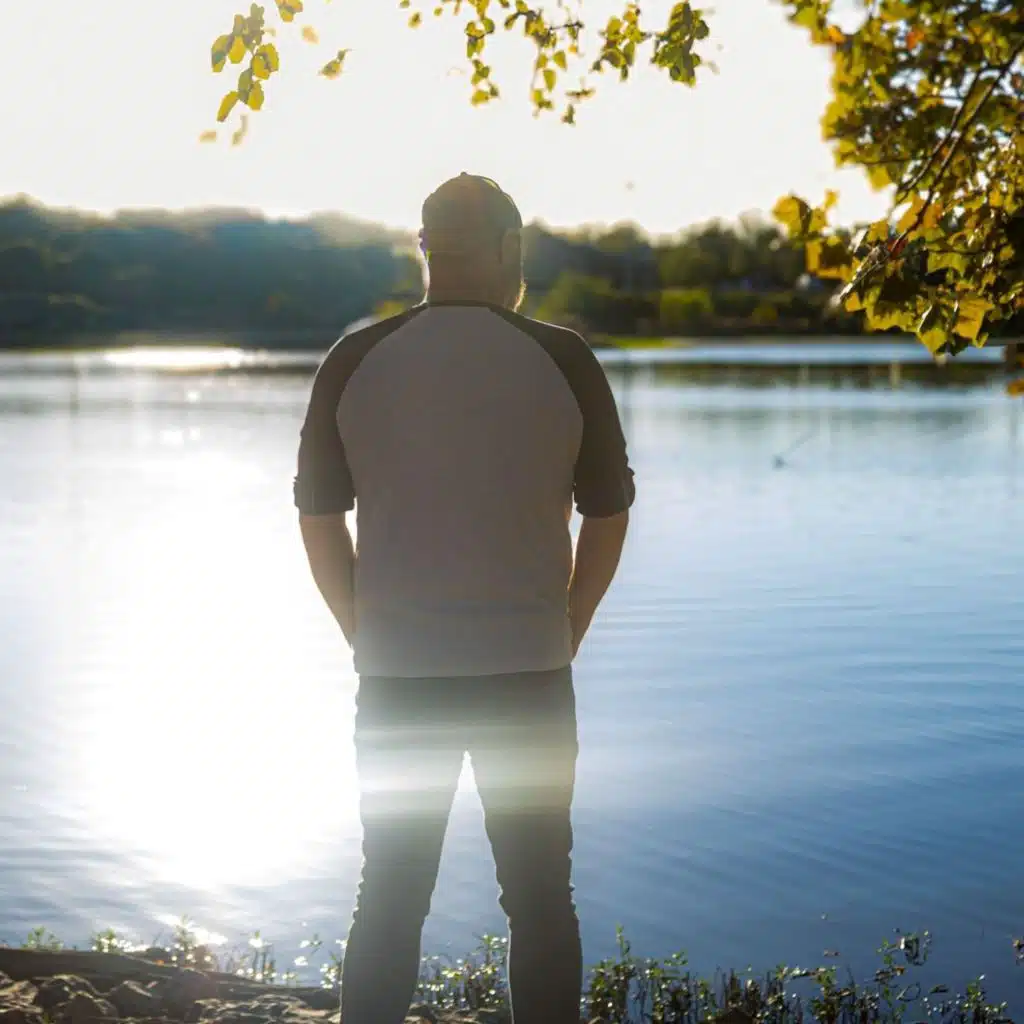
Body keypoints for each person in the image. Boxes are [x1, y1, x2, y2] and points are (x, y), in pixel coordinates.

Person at [292, 173, 635, 1024]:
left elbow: (318, 517)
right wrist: (570, 625)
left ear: (424, 248)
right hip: (529, 673)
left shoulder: (355, 358)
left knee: (390, 893)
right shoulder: (563, 358)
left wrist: (361, 630)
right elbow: (609, 513)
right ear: (510, 248)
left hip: (399, 675)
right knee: (540, 898)